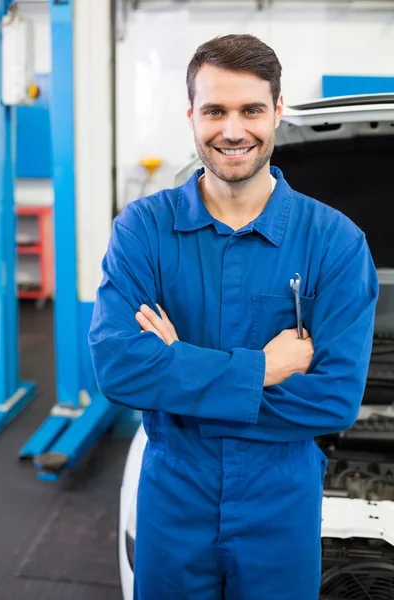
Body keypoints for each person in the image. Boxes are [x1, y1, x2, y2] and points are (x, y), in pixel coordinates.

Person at [89, 34, 378, 600]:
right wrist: (263, 368)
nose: (233, 130)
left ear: (276, 111)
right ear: (191, 115)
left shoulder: (336, 243)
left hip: (282, 497)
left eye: (250, 110)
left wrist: (177, 373)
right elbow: (119, 370)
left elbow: (334, 399)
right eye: (215, 110)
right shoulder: (143, 230)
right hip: (175, 492)